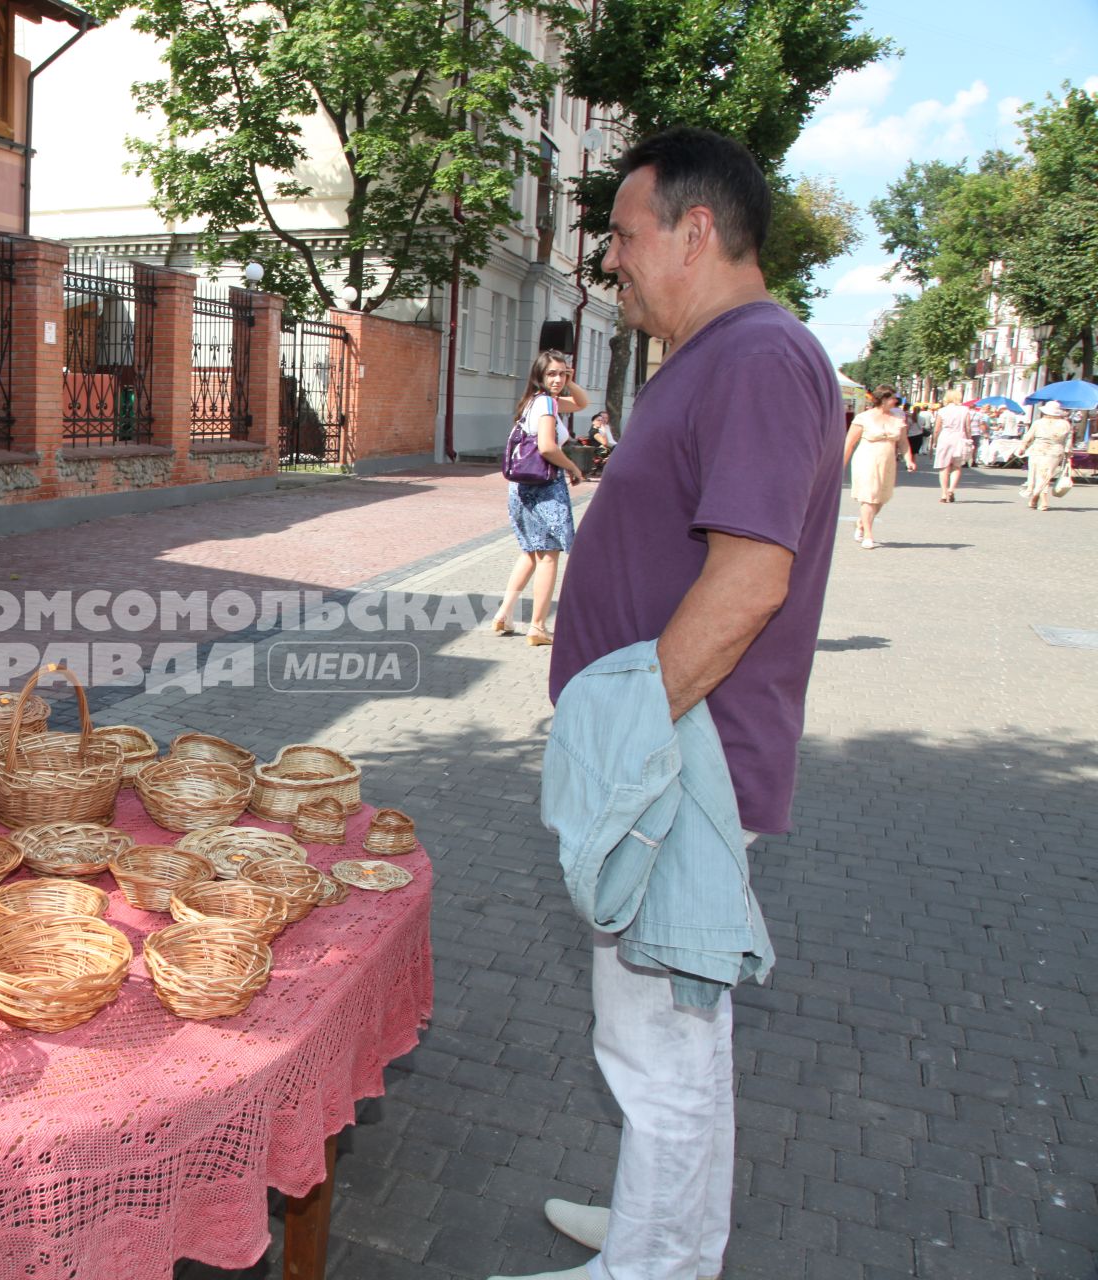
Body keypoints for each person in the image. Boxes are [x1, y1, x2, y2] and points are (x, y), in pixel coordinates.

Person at [515, 127, 846, 1280]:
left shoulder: (757, 357)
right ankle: (662, 1223)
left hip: (678, 762)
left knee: (662, 1039)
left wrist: (623, 731)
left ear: (694, 231)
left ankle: (658, 1263)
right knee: (662, 1031)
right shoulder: (716, 355)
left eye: (623, 232)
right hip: (671, 751)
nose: (611, 258)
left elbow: (751, 576)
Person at [490, 350, 590, 647]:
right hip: (544, 487)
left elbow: (583, 403)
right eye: (552, 374)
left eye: (562, 374)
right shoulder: (546, 402)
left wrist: (571, 380)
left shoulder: (534, 402)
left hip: (521, 487)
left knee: (530, 553)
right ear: (539, 376)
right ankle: (538, 626)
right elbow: (547, 447)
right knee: (548, 556)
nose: (558, 379)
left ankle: (504, 614)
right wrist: (573, 467)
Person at [842, 385, 915, 548]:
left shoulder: (898, 418)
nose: (896, 400)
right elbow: (849, 443)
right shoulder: (863, 418)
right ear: (882, 399)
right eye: (892, 398)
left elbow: (903, 442)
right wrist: (841, 464)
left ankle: (861, 523)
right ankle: (868, 535)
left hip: (888, 461)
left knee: (881, 498)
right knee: (869, 497)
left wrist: (909, 459)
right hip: (867, 459)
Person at [1017, 401, 1075, 511]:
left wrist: (1023, 447)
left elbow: (1029, 436)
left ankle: (1037, 498)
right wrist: (1068, 453)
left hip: (1037, 449)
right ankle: (1039, 499)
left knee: (1035, 475)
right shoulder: (1066, 424)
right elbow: (1068, 442)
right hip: (1054, 451)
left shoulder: (1038, 422)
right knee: (1045, 476)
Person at [931, 388, 975, 502]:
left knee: (944, 466)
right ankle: (951, 489)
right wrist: (969, 439)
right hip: (960, 437)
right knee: (957, 466)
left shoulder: (942, 411)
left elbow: (937, 428)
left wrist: (934, 441)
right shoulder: (965, 410)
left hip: (945, 437)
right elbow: (968, 427)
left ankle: (944, 494)